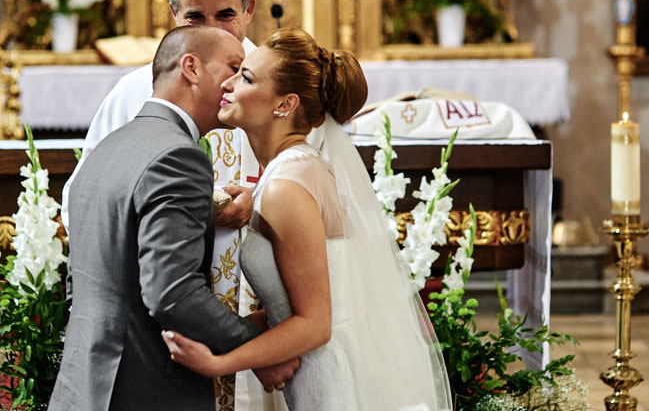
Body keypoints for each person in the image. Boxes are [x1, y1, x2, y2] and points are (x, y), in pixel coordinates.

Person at [163, 29, 453, 410]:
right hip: (326, 369)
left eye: (246, 77)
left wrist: (220, 363)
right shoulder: (295, 171)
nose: (229, 83)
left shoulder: (287, 188)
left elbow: (315, 323)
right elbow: (296, 300)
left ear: (285, 104)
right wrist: (219, 332)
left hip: (334, 382)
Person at [48, 26, 298, 411]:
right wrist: (259, 350)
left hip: (84, 383)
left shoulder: (107, 148)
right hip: (145, 388)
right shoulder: (178, 156)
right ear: (191, 68)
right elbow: (172, 292)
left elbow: (82, 280)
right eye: (233, 67)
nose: (236, 84)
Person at [63, 0, 261, 409]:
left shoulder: (276, 82)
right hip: (157, 347)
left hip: (247, 295)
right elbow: (87, 209)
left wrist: (264, 201)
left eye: (225, 14)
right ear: (173, 12)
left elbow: (312, 178)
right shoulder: (133, 93)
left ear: (249, 10)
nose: (210, 30)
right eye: (195, 17)